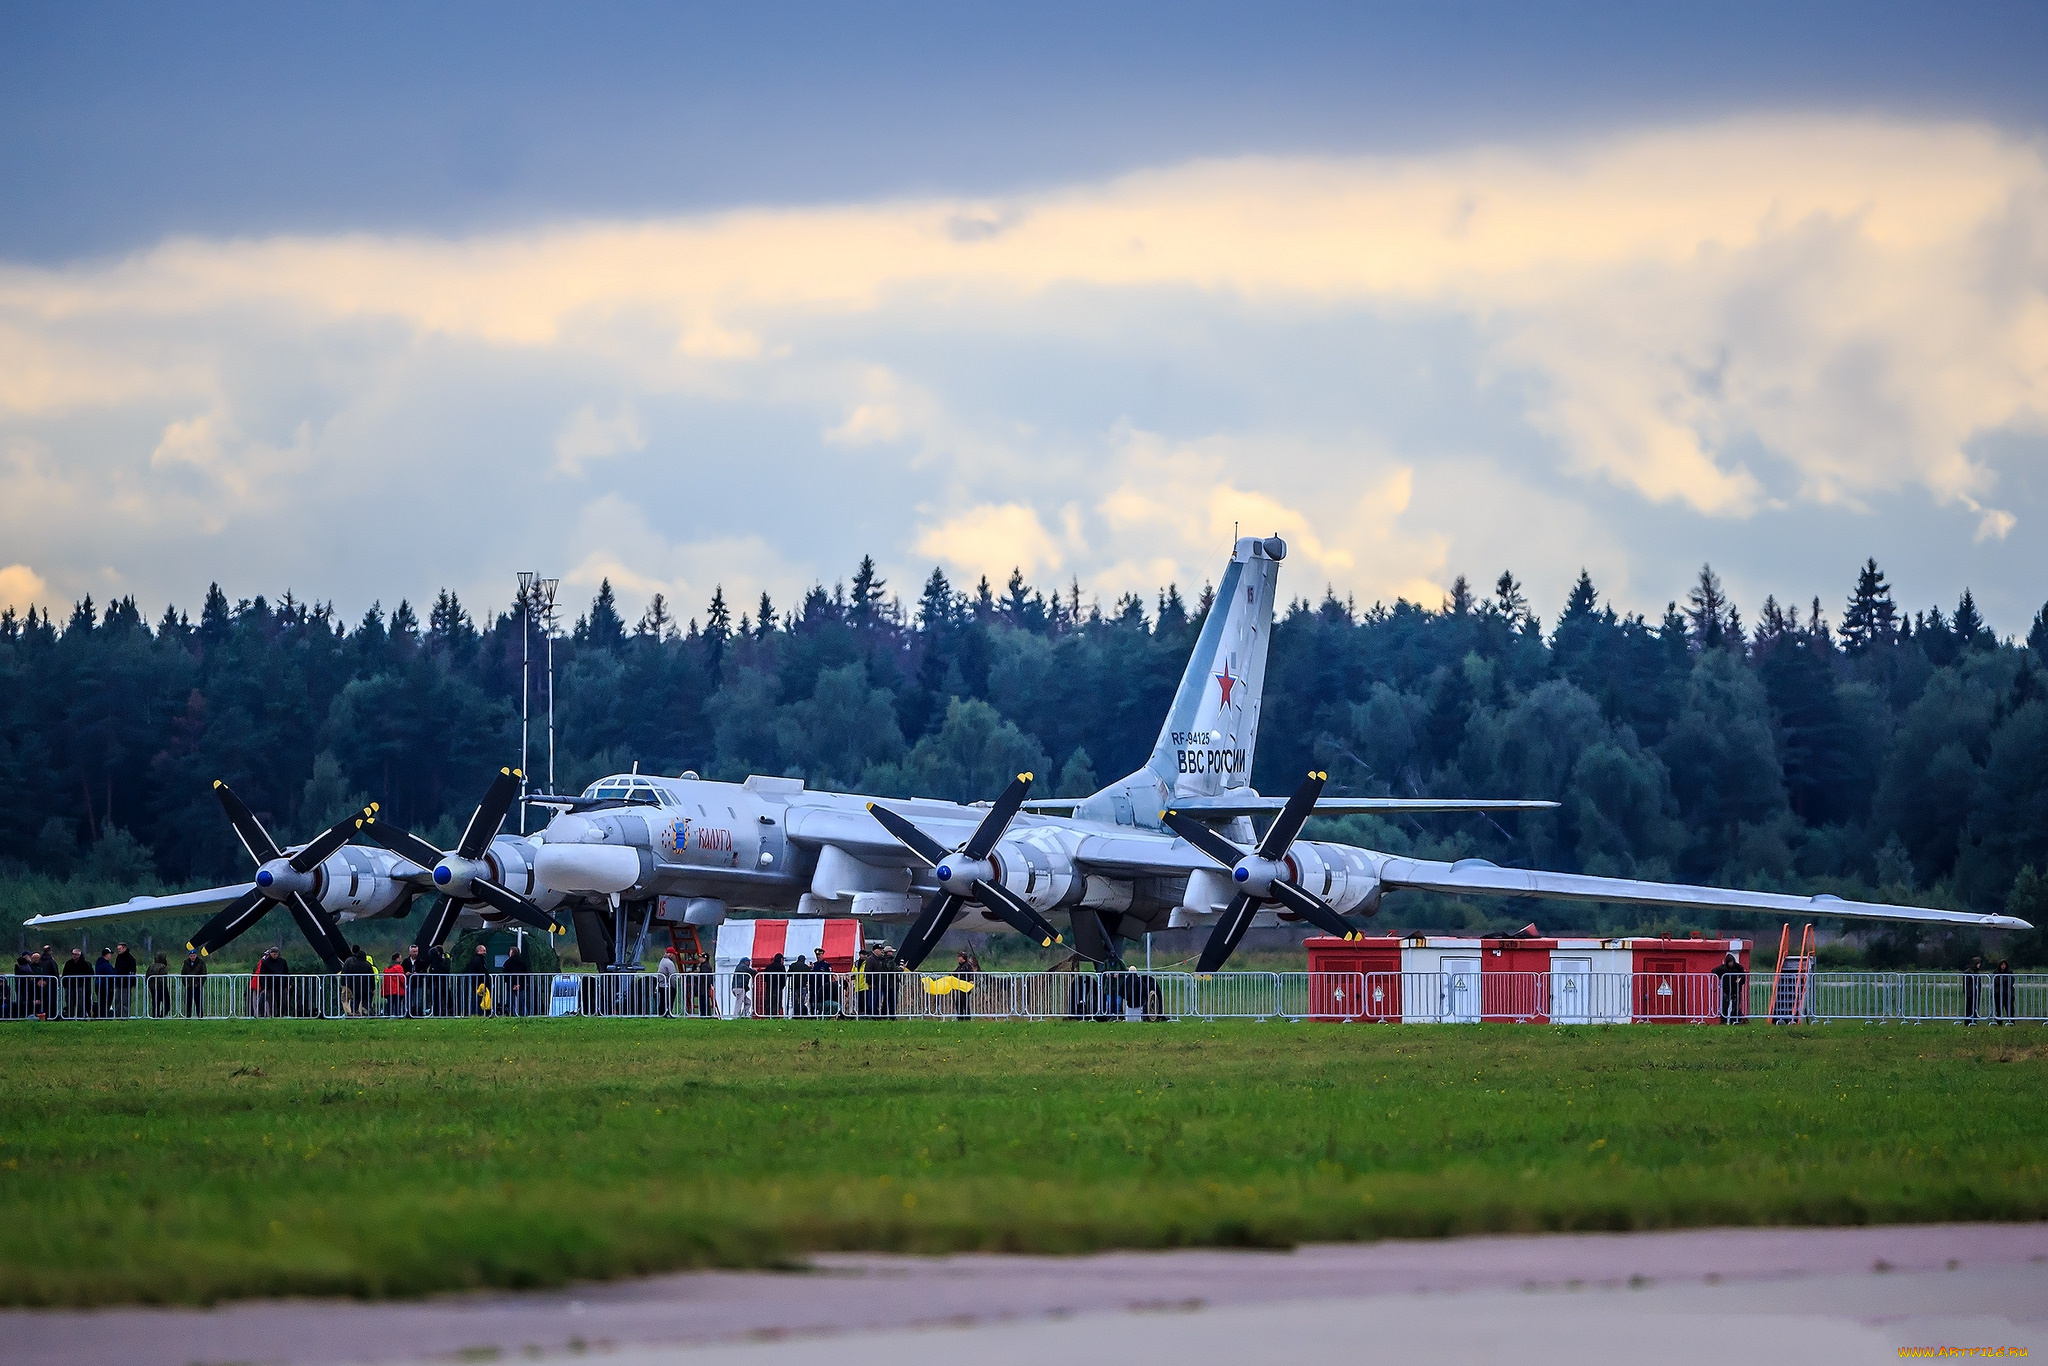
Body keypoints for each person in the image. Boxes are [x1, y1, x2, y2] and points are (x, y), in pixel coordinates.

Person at [1712, 952, 1747, 1025]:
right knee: (1724, 1007)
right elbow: (1713, 971)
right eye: (1729, 962)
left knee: (1735, 1007)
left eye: (1731, 962)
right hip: (1726, 991)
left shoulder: (1738, 967)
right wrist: (1720, 977)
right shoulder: (1723, 968)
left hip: (1736, 990)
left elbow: (1743, 976)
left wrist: (1740, 979)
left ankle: (1733, 1020)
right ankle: (1723, 1021)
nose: (1731, 964)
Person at [61, 948, 92, 1019]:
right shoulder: (68, 963)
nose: (74, 956)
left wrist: (85, 985)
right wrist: (65, 984)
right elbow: (64, 974)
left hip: (81, 987)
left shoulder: (85, 964)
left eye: (75, 954)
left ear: (79, 955)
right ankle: (70, 1016)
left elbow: (89, 976)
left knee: (80, 1003)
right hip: (70, 986)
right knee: (69, 1002)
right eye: (73, 954)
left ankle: (80, 1016)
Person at [501, 940, 529, 1017]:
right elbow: (525, 974)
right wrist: (519, 984)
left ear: (512, 953)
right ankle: (523, 1016)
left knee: (511, 1002)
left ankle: (512, 1015)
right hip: (521, 986)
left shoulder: (507, 962)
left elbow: (505, 974)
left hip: (511, 986)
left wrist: (512, 984)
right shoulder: (522, 962)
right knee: (522, 1003)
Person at [466, 942, 493, 1016]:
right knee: (477, 999)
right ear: (479, 951)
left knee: (480, 999)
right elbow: (480, 970)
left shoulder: (480, 960)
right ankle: (476, 1013)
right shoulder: (477, 960)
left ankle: (478, 1013)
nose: (485, 952)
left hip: (480, 983)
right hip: (479, 984)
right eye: (484, 950)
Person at [952, 948, 979, 1020]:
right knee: (958, 1002)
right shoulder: (960, 966)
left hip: (965, 987)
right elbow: (954, 973)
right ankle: (960, 1018)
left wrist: (971, 980)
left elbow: (971, 973)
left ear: (963, 958)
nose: (958, 958)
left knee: (965, 1002)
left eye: (959, 956)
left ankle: (967, 1018)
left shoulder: (967, 965)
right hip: (959, 986)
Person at [181, 950, 208, 1018]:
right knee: (188, 1002)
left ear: (196, 955)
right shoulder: (186, 962)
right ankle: (188, 1016)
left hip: (197, 986)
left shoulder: (201, 962)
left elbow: (204, 974)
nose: (192, 957)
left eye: (194, 955)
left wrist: (199, 983)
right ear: (189, 956)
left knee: (198, 1002)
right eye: (191, 956)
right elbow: (183, 974)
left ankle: (200, 1016)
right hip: (189, 985)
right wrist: (186, 984)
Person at [113, 942, 138, 1018]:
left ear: (124, 948)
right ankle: (117, 1015)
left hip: (126, 984)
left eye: (120, 949)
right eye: (118, 949)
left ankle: (124, 1016)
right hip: (118, 983)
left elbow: (132, 971)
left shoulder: (130, 959)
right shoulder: (118, 957)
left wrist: (129, 982)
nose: (118, 950)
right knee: (117, 1000)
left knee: (125, 1001)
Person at [380, 952, 407, 1018]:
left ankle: (388, 1015)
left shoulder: (387, 968)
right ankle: (398, 1015)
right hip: (396, 989)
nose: (401, 959)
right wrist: (405, 985)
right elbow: (402, 978)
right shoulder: (398, 967)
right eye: (400, 958)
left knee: (390, 1003)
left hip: (388, 989)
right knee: (397, 1003)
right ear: (397, 959)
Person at [655, 947, 680, 1017]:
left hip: (661, 985)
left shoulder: (662, 961)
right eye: (673, 954)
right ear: (670, 954)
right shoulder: (669, 963)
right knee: (669, 1000)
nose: (674, 956)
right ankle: (668, 1013)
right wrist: (674, 986)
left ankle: (662, 1013)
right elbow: (673, 975)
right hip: (667, 986)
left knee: (662, 1001)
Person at [93, 947, 116, 1019]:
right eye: (109, 954)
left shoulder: (99, 963)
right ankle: (103, 1016)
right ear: (107, 955)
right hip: (105, 986)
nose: (110, 956)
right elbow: (111, 974)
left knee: (102, 1002)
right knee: (106, 1002)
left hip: (99, 985)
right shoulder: (105, 965)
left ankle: (102, 1015)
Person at [147, 952, 171, 1018]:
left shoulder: (151, 966)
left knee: (155, 1003)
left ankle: (155, 1016)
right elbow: (163, 979)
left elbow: (147, 976)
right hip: (161, 988)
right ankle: (162, 1015)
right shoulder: (163, 967)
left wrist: (150, 985)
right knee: (167, 1004)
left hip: (152, 988)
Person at [1993, 959, 2016, 1025]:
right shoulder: (1996, 972)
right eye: (2002, 965)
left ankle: (2011, 1022)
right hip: (1998, 994)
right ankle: (1999, 1022)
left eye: (2004, 965)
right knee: (1999, 1009)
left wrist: (2003, 980)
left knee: (2010, 1009)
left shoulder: (2010, 972)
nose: (2003, 966)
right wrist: (2004, 980)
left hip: (2008, 993)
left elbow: (2011, 981)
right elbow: (1996, 981)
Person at [763, 952, 785, 1017]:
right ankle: (775, 1015)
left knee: (768, 1002)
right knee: (777, 1002)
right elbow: (783, 978)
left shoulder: (768, 967)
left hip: (769, 988)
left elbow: (765, 978)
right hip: (778, 988)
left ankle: (767, 1016)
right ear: (781, 959)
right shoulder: (781, 967)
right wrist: (782, 986)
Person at [1963, 955, 1983, 1025]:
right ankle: (1968, 1021)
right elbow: (1966, 983)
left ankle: (1974, 1020)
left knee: (1975, 1007)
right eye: (1978, 963)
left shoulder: (1976, 972)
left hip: (1976, 992)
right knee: (1969, 1007)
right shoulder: (1968, 972)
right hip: (1971, 993)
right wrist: (1968, 992)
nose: (1979, 965)